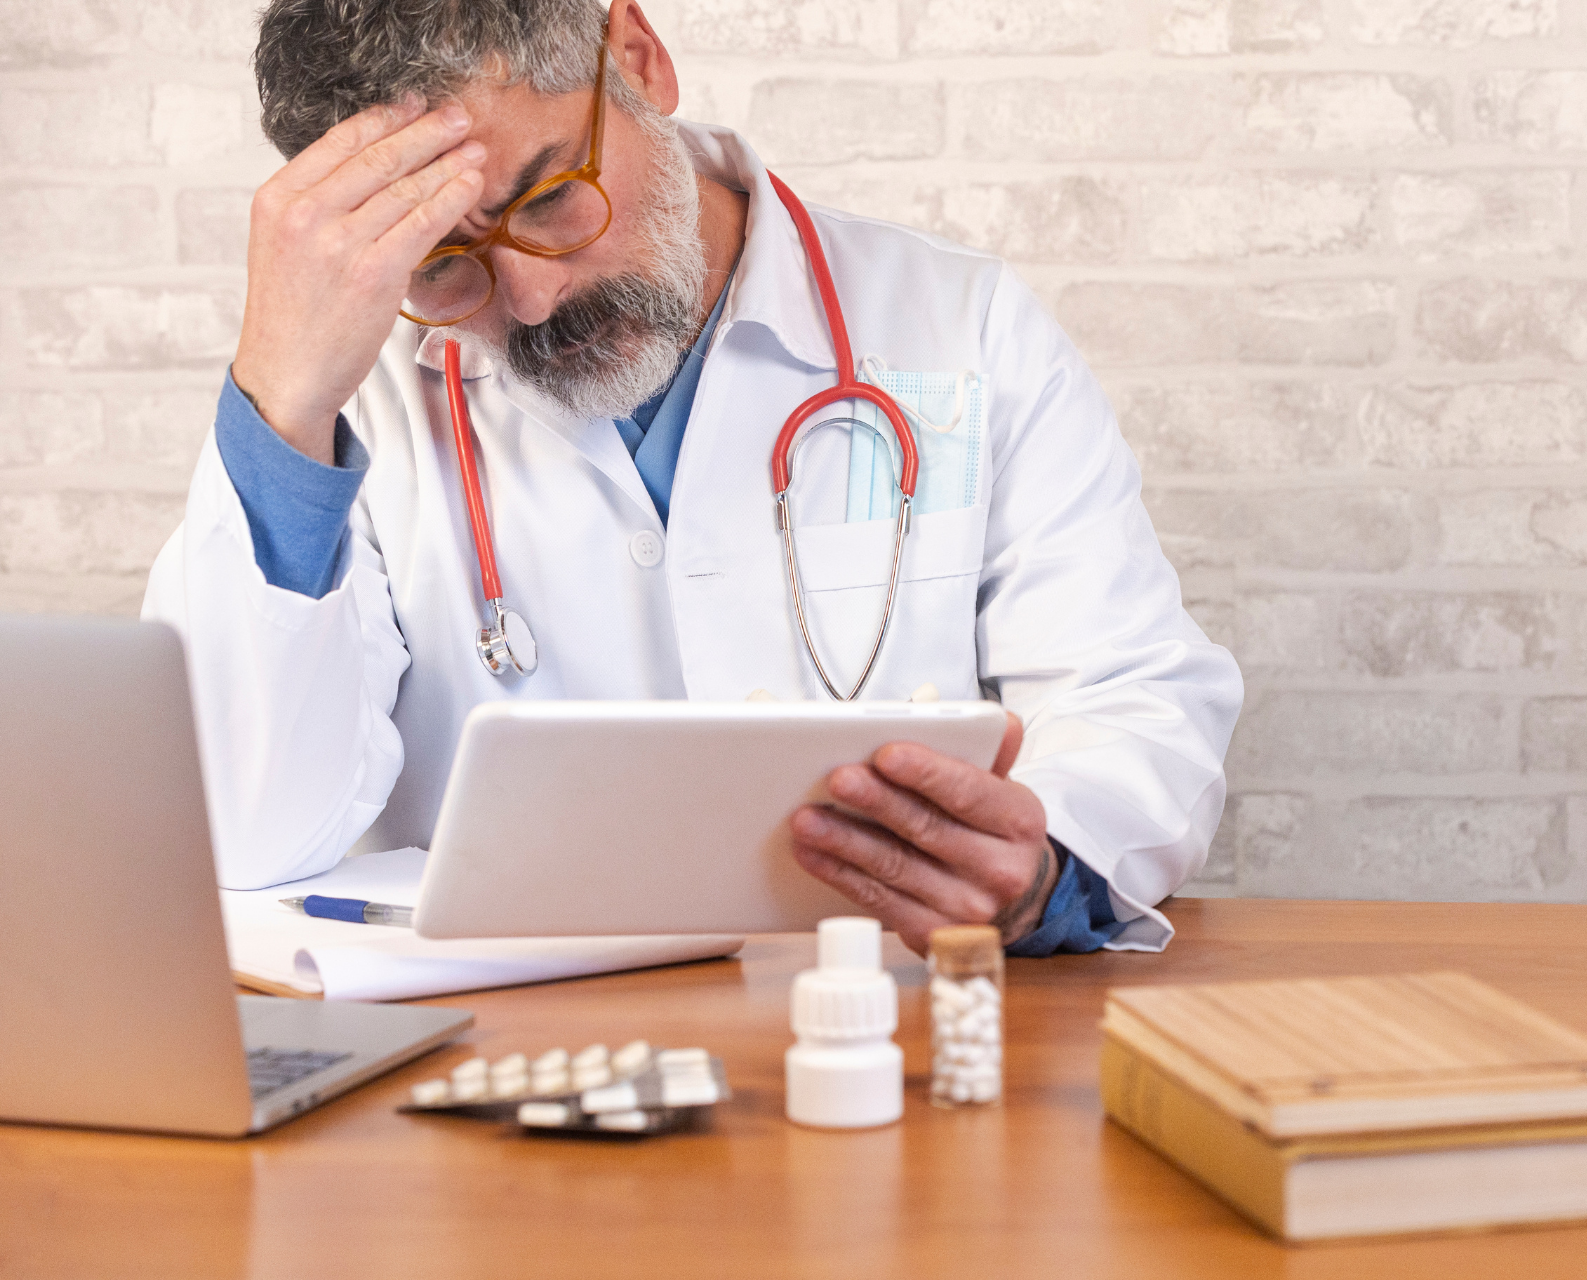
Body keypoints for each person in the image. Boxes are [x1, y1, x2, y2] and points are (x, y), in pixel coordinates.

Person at [142, 0, 1242, 956]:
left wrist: (1043, 864)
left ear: (639, 57)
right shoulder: (347, 399)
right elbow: (242, 827)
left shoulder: (958, 324)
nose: (526, 297)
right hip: (495, 1076)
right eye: (444, 259)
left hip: (874, 1032)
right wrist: (281, 405)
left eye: (549, 196)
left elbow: (1133, 696)